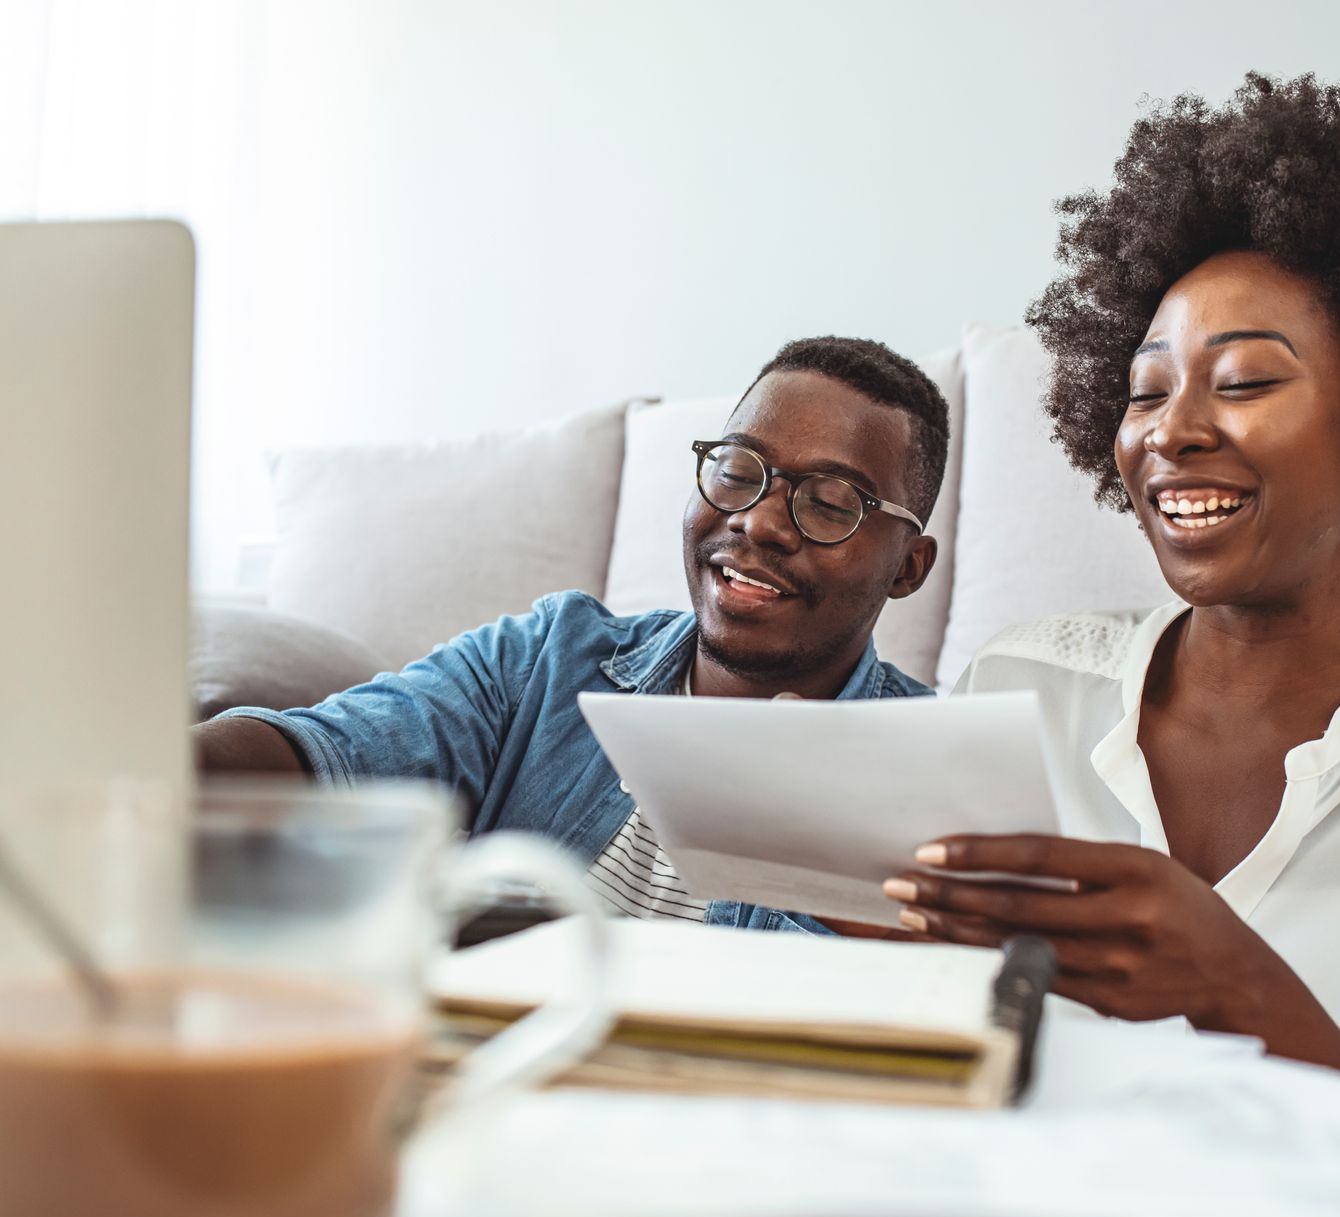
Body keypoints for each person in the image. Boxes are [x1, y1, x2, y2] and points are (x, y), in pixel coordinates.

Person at [877, 74, 1340, 1105]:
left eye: (1245, 383)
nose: (1170, 431)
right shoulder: (1017, 680)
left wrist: (1238, 987)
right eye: (1145, 390)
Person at [197, 335, 945, 927]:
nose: (758, 520)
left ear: (908, 567)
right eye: (738, 468)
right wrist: (132, 769)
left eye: (830, 502)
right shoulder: (546, 663)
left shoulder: (943, 775)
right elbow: (321, 754)